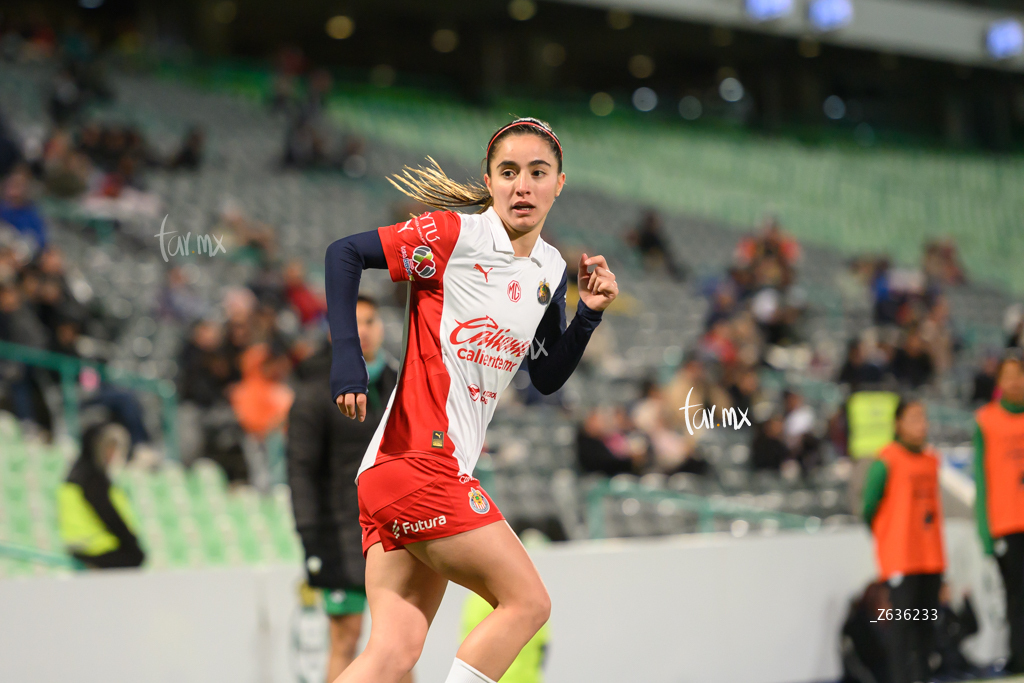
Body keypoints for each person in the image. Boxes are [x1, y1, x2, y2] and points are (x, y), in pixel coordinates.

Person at [325, 117, 617, 683]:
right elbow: (344, 254)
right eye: (509, 172)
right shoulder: (454, 236)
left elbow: (546, 375)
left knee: (392, 655)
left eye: (538, 172)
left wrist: (588, 316)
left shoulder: (552, 270)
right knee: (529, 603)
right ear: (490, 179)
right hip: (418, 463)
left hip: (396, 474)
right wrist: (347, 357)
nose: (522, 186)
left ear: (561, 183)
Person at [287, 295, 403, 683]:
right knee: (346, 638)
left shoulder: (399, 383)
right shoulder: (315, 390)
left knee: (402, 643)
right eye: (354, 324)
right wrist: (311, 537)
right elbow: (300, 470)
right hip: (340, 534)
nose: (364, 331)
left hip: (397, 531)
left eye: (370, 321)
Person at [862, 398, 945, 683]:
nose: (921, 424)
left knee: (925, 626)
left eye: (923, 418)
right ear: (898, 423)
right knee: (901, 627)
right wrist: (888, 537)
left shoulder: (932, 460)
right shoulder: (886, 461)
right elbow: (868, 507)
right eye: (913, 418)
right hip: (901, 558)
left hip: (931, 556)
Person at [973, 348, 1024, 673]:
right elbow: (981, 477)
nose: (1014, 381)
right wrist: (985, 531)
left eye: (1018, 373)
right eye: (1007, 375)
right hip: (1007, 523)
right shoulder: (986, 421)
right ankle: (1020, 658)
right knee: (1017, 597)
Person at [57, 422, 145, 569]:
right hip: (95, 550)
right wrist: (132, 542)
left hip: (83, 548)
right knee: (135, 556)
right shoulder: (91, 478)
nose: (112, 453)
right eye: (109, 447)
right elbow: (110, 517)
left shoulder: (77, 474)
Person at [461, 592, 549, 683]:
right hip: (527, 679)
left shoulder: (477, 601)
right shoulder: (533, 599)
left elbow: (467, 651)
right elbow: (543, 647)